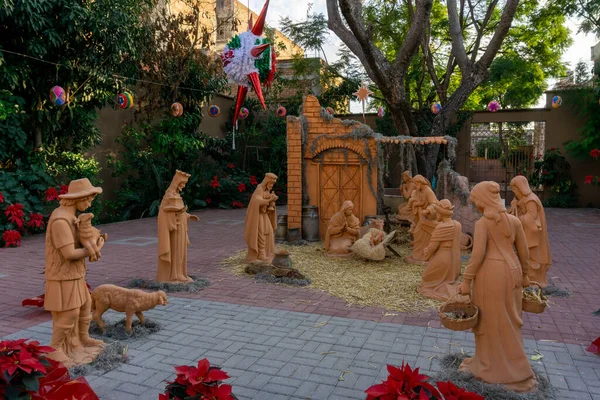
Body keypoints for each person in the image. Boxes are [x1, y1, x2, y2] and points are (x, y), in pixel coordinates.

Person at [458, 181, 536, 393]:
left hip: (490, 274)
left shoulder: (483, 223)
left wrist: (466, 280)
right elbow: (524, 252)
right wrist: (527, 274)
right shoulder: (514, 221)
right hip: (513, 273)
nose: (475, 205)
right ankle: (510, 365)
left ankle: (490, 366)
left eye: (475, 200)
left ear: (482, 200)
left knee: (490, 321)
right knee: (510, 319)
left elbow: (477, 255)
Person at [44, 178, 105, 367]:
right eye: (87, 200)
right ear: (76, 198)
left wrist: (93, 241)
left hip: (75, 274)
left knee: (86, 305)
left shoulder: (73, 218)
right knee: (69, 313)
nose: (88, 204)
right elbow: (69, 254)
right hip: (62, 276)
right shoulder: (60, 221)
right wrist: (94, 247)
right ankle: (55, 349)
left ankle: (81, 339)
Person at [509, 175, 552, 287]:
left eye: (515, 189)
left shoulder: (531, 200)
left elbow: (531, 217)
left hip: (533, 236)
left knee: (532, 256)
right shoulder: (524, 198)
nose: (514, 192)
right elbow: (517, 201)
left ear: (521, 187)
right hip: (528, 233)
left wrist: (517, 219)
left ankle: (535, 280)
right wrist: (515, 203)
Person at [157, 170, 199, 282]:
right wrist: (174, 212)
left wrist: (188, 216)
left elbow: (180, 213)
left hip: (181, 228)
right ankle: (174, 275)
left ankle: (181, 272)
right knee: (175, 250)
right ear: (177, 182)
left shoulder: (177, 195)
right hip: (174, 229)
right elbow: (163, 213)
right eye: (182, 183)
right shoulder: (168, 196)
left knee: (181, 252)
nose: (184, 186)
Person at [417, 199, 462, 301]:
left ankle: (443, 286)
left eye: (436, 211)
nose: (435, 214)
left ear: (440, 213)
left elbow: (432, 247)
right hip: (455, 260)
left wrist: (426, 254)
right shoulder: (457, 224)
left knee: (425, 278)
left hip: (444, 258)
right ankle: (447, 281)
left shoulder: (441, 227)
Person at [245, 173, 278, 262]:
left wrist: (272, 202)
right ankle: (261, 254)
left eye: (273, 184)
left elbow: (267, 203)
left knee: (269, 231)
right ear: (266, 182)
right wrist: (269, 200)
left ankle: (268, 253)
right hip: (258, 216)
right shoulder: (259, 189)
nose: (272, 186)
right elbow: (257, 201)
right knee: (261, 233)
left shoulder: (266, 190)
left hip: (264, 215)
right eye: (271, 183)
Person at [406, 175, 439, 264]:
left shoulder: (428, 191)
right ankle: (418, 255)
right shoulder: (417, 191)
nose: (415, 186)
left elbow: (435, 204)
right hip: (420, 218)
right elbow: (412, 202)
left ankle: (424, 256)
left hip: (427, 218)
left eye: (416, 184)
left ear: (421, 182)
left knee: (418, 233)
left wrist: (427, 210)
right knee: (417, 233)